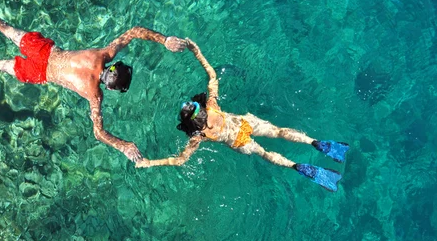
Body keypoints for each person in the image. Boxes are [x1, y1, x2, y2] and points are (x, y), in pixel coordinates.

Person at [0, 0, 186, 162]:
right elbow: (99, 132)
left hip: (44, 50)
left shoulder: (102, 55)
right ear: (112, 88)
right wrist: (123, 146)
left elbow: (135, 31)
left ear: (114, 67)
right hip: (40, 72)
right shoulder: (95, 95)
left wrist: (165, 40)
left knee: (5, 28)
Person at [136, 39, 349, 192]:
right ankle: (316, 143)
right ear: (199, 108)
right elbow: (211, 74)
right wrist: (196, 51)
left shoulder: (199, 136)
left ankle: (297, 166)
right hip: (246, 123)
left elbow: (180, 161)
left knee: (265, 153)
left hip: (240, 142)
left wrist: (149, 163)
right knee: (279, 131)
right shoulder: (212, 105)